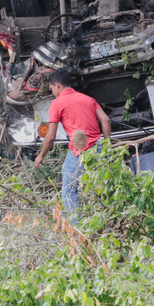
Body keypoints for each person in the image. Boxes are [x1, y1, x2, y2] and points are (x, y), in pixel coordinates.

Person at [33, 70, 112, 216]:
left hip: (80, 151)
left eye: (51, 88)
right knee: (104, 188)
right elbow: (106, 120)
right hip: (99, 148)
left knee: (69, 191)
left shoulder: (57, 103)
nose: (52, 92)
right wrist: (107, 146)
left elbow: (50, 136)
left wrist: (41, 155)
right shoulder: (88, 99)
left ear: (57, 85)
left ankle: (75, 226)